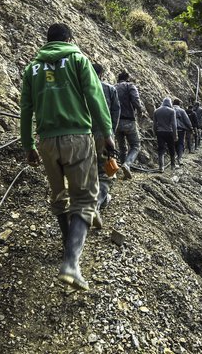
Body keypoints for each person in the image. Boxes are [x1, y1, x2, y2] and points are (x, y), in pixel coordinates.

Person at [20, 23, 115, 291]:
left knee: (59, 196)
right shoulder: (78, 60)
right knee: (85, 198)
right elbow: (95, 97)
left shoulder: (32, 69)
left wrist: (28, 145)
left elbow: (26, 109)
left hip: (47, 142)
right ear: (70, 39)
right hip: (77, 137)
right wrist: (107, 133)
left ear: (47, 41)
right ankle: (71, 263)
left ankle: (67, 246)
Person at [91, 63, 120, 229]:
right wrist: (111, 134)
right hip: (103, 135)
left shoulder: (79, 88)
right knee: (106, 173)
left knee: (86, 170)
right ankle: (96, 204)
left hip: (81, 135)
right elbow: (115, 112)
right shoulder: (109, 89)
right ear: (101, 74)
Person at [115, 71, 143, 179]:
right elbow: (136, 100)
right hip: (129, 121)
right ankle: (127, 164)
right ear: (127, 78)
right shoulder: (129, 86)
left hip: (116, 122)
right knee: (135, 145)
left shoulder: (113, 87)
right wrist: (140, 111)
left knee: (122, 147)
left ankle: (124, 170)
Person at [153, 97, 177, 172]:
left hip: (160, 132)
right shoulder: (172, 111)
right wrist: (175, 135)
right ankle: (173, 165)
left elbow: (154, 124)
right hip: (169, 132)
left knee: (161, 149)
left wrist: (154, 132)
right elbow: (174, 124)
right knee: (171, 148)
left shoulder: (156, 111)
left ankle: (161, 167)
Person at [172, 98, 192, 166]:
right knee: (180, 144)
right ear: (179, 104)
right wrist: (190, 128)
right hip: (180, 130)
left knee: (172, 143)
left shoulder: (170, 110)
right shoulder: (182, 111)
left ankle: (173, 159)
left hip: (170, 130)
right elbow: (187, 121)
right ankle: (179, 158)